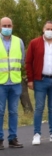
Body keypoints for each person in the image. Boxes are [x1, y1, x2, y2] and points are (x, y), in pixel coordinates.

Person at [25, 20, 52, 145]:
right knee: (39, 108)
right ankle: (37, 134)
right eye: (48, 28)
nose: (50, 31)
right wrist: (30, 79)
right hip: (40, 80)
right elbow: (28, 62)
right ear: (43, 29)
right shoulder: (34, 43)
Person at [0, 17, 24, 149]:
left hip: (15, 82)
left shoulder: (18, 41)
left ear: (12, 26)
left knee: (13, 112)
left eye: (9, 25)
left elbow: (22, 59)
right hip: (0, 83)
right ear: (0, 26)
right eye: (4, 25)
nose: (7, 28)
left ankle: (12, 138)